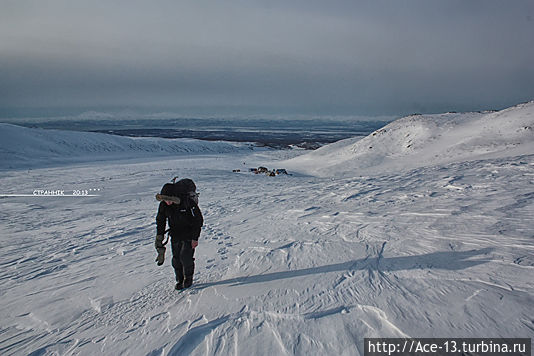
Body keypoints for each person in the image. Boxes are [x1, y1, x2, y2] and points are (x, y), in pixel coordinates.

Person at [155, 181, 203, 290]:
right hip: (175, 234)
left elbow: (198, 220)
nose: (167, 202)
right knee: (176, 259)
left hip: (189, 234)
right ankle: (180, 279)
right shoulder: (164, 205)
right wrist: (159, 236)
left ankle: (188, 279)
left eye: (169, 200)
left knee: (185, 257)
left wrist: (195, 238)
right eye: (165, 200)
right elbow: (160, 221)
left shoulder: (187, 203)